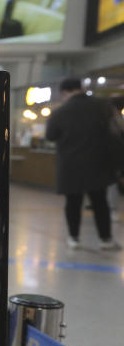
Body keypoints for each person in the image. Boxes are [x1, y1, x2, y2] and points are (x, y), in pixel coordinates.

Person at [45, 78, 122, 250]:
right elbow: (116, 132)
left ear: (64, 92)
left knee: (73, 202)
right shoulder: (102, 106)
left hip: (71, 164)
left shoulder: (60, 112)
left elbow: (50, 135)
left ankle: (74, 238)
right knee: (100, 202)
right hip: (98, 163)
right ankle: (106, 239)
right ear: (81, 88)